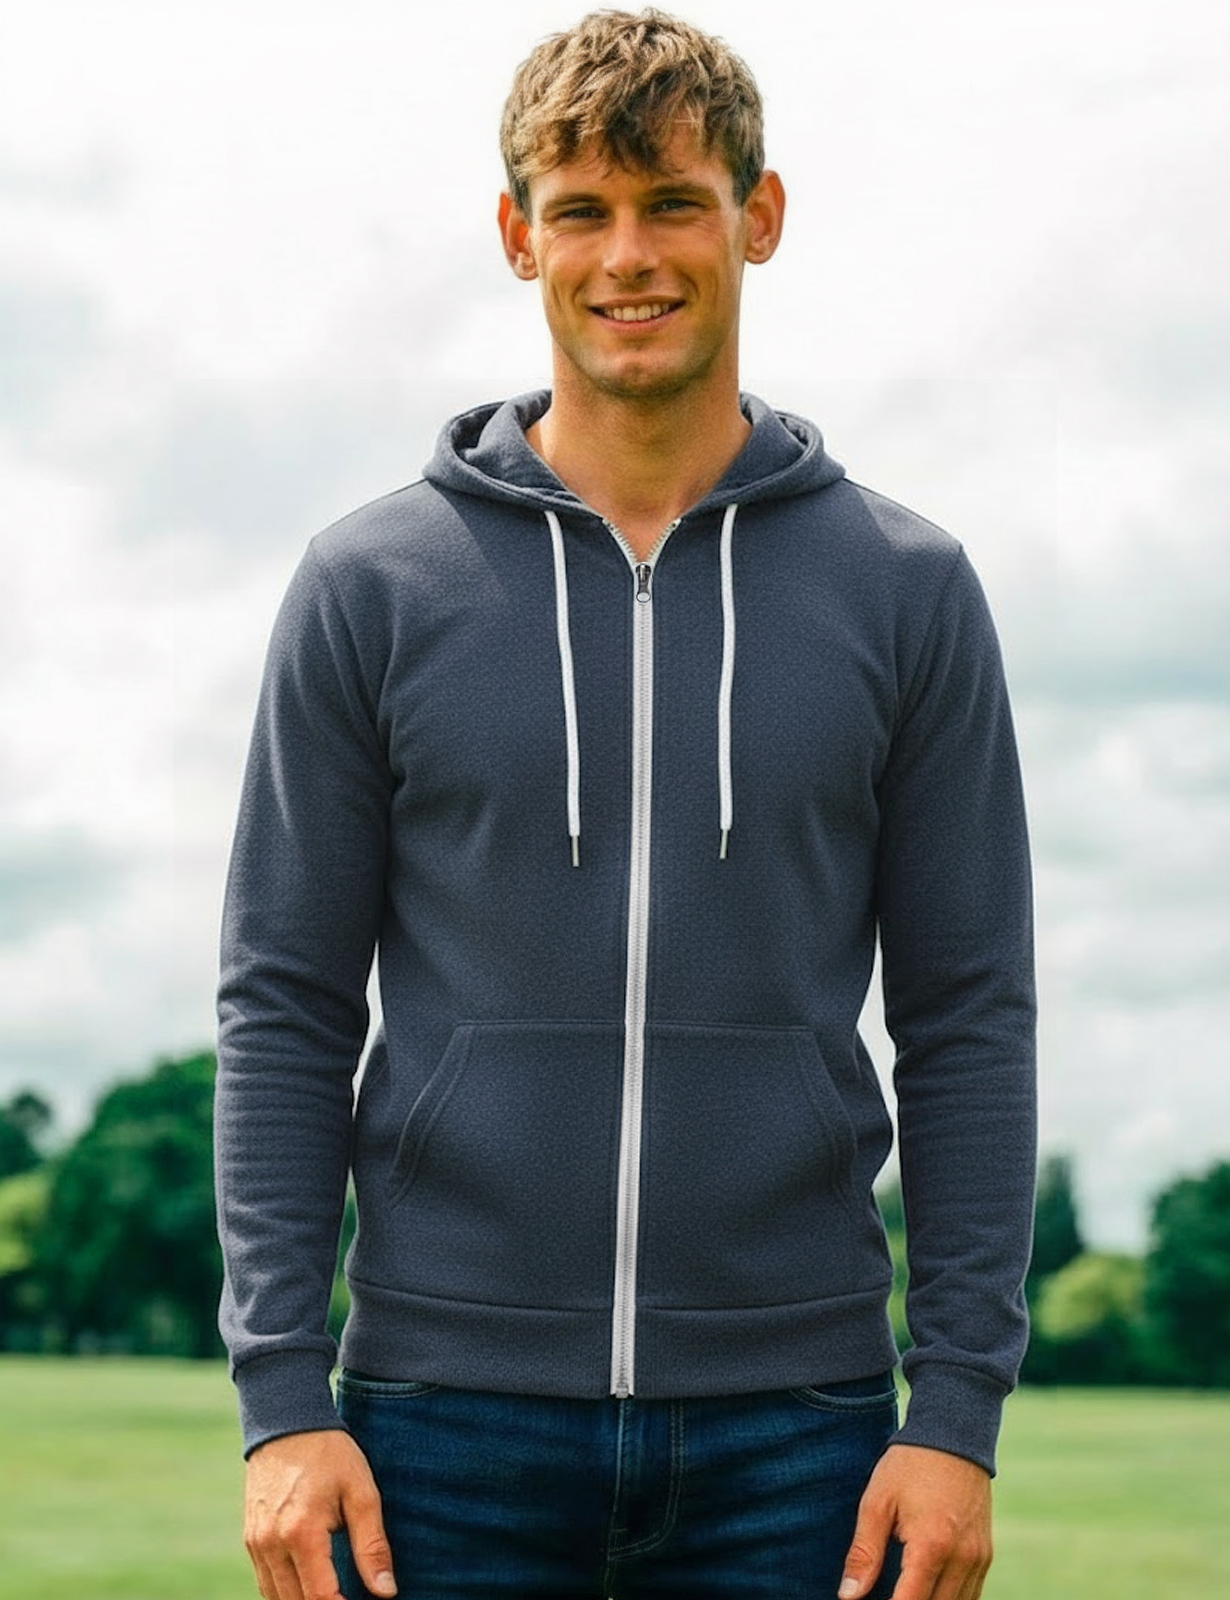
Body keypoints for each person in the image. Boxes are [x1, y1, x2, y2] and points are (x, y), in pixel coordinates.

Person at [214, 9, 1036, 1599]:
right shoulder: (369, 585)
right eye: (580, 210)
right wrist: (279, 1399)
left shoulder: (905, 588)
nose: (628, 257)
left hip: (797, 1428)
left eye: (673, 203)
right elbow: (285, 1004)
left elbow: (968, 1014)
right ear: (517, 235)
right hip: (434, 1420)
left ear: (758, 217)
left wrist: (956, 1410)